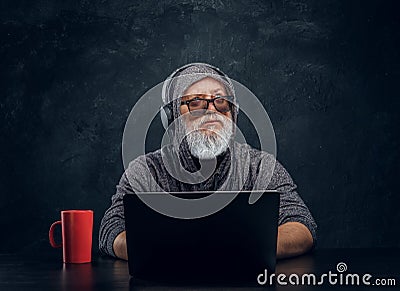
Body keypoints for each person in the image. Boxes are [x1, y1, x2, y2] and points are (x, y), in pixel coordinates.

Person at [99, 63, 317, 261]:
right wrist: (171, 253)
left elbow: (302, 225)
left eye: (221, 101)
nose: (211, 111)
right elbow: (111, 229)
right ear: (172, 117)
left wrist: (237, 250)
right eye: (196, 102)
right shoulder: (145, 170)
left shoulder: (259, 166)